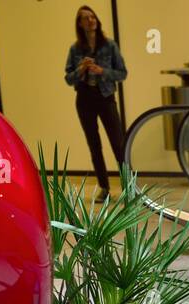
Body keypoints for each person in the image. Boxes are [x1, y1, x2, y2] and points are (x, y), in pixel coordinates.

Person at [63, 5, 126, 195]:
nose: (90, 20)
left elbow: (122, 73)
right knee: (94, 145)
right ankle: (104, 187)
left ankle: (129, 187)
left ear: (97, 21)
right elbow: (68, 78)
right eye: (85, 18)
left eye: (92, 17)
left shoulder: (109, 45)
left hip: (106, 97)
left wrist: (102, 71)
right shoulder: (75, 49)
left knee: (118, 143)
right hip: (84, 99)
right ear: (80, 24)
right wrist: (80, 70)